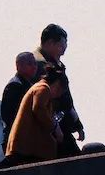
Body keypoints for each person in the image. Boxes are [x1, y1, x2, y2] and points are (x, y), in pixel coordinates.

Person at [34, 24, 85, 157]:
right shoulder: (38, 66)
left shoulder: (56, 64)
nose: (64, 49)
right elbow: (41, 104)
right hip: (49, 129)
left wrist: (76, 123)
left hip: (61, 125)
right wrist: (54, 126)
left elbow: (66, 98)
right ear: (50, 43)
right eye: (61, 45)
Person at [5, 65, 65, 165]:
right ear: (58, 85)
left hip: (25, 148)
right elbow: (38, 109)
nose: (57, 96)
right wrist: (54, 127)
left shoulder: (38, 87)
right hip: (26, 150)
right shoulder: (43, 88)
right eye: (60, 92)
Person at [0, 52, 39, 146]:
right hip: (19, 139)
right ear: (19, 66)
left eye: (35, 63)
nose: (34, 67)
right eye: (30, 64)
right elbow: (8, 116)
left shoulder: (30, 85)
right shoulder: (14, 86)